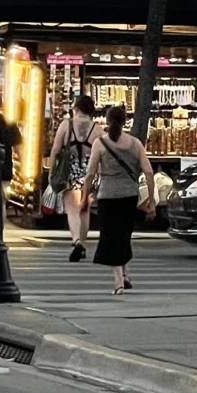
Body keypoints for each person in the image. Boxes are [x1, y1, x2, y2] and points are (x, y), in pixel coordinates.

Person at [81, 104, 155, 294]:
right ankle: (125, 275)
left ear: (107, 120)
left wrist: (84, 198)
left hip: (107, 197)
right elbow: (148, 172)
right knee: (123, 236)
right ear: (124, 121)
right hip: (129, 196)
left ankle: (118, 283)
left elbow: (90, 175)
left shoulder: (100, 143)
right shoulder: (135, 143)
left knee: (111, 238)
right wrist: (152, 202)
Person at [49, 95, 100, 261]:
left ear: (76, 108)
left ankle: (76, 241)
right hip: (90, 170)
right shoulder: (97, 129)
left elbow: (56, 150)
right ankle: (83, 244)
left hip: (70, 169)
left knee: (71, 208)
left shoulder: (66, 124)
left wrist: (51, 172)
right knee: (85, 209)